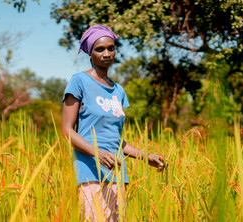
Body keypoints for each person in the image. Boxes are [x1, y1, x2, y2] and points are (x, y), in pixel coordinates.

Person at [61, 25, 165, 221]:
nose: (107, 53)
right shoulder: (79, 81)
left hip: (118, 173)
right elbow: (66, 130)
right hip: (90, 171)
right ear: (90, 53)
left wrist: (144, 156)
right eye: (100, 49)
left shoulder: (118, 90)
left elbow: (116, 138)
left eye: (111, 48)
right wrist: (97, 153)